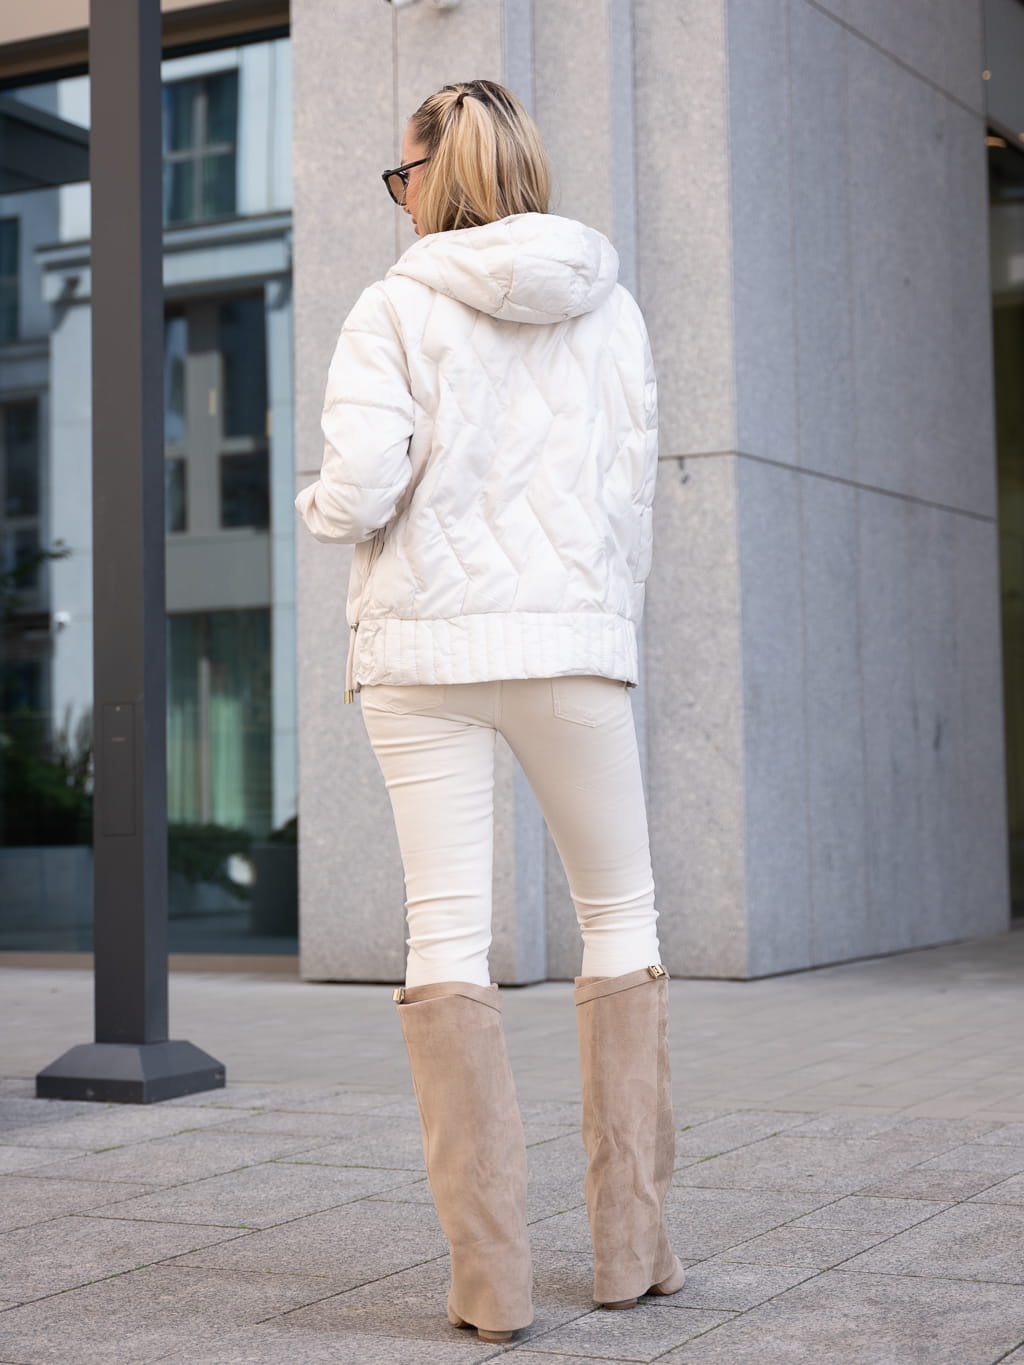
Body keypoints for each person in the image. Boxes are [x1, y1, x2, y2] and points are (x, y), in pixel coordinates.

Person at [295, 77, 685, 1346]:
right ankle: (632, 1254)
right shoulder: (610, 305)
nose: (397, 199)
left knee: (448, 934)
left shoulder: (394, 303)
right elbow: (629, 492)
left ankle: (492, 1285)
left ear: (434, 178)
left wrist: (316, 510)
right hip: (571, 646)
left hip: (423, 652)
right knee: (619, 921)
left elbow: (360, 487)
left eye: (400, 177)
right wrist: (602, 621)